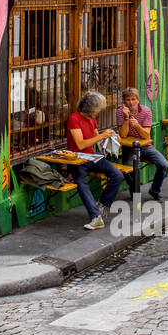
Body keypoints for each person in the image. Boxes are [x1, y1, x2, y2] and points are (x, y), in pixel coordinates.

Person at [66, 91, 124, 231]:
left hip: (92, 157)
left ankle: (102, 205)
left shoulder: (92, 119)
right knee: (80, 181)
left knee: (118, 175)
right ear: (91, 109)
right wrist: (102, 136)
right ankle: (95, 216)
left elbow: (97, 138)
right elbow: (80, 144)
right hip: (77, 158)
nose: (98, 113)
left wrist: (112, 137)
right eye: (97, 110)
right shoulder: (74, 119)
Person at [115, 87, 168, 201]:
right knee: (128, 170)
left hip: (145, 146)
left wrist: (137, 126)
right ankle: (135, 190)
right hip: (129, 148)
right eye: (128, 100)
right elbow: (123, 135)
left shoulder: (146, 111)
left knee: (164, 165)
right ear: (124, 101)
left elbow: (145, 135)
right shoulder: (120, 112)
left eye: (133, 99)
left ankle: (154, 190)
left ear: (138, 100)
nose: (131, 103)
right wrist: (126, 118)